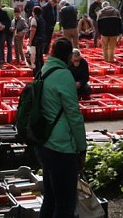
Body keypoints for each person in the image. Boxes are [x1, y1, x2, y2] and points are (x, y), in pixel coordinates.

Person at [35, 37, 87, 218]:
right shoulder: (64, 75)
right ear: (68, 56)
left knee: (50, 198)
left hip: (43, 141)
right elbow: (74, 115)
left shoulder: (44, 69)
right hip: (61, 145)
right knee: (65, 203)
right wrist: (82, 147)